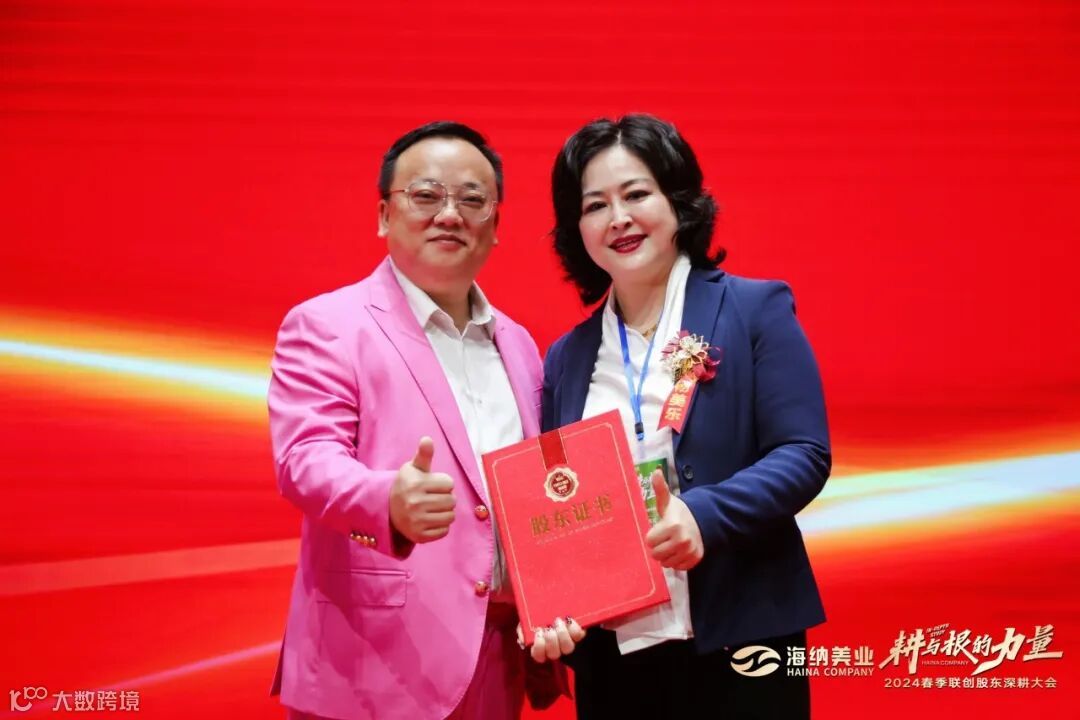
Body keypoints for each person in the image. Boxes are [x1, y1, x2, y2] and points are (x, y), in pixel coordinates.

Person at [267, 121, 576, 720]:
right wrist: (386, 499)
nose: (450, 215)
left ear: (496, 224)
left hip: (496, 656)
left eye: (472, 200)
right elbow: (304, 459)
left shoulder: (518, 343)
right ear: (385, 214)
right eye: (426, 195)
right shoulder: (328, 324)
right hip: (372, 662)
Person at [541, 114, 830, 719]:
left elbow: (803, 453)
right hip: (616, 654)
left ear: (678, 201)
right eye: (595, 205)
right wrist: (550, 601)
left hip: (745, 636)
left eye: (636, 194)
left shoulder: (752, 309)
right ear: (577, 228)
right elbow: (558, 503)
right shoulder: (567, 358)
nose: (618, 218)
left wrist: (703, 514)